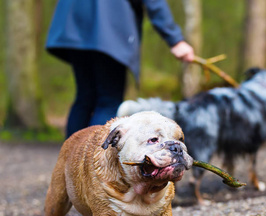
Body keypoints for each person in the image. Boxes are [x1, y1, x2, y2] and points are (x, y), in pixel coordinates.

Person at [46, 0, 195, 138]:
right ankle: (94, 163)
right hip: (109, 28)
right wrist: (175, 39)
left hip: (74, 24)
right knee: (107, 100)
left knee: (85, 98)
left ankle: (71, 163)